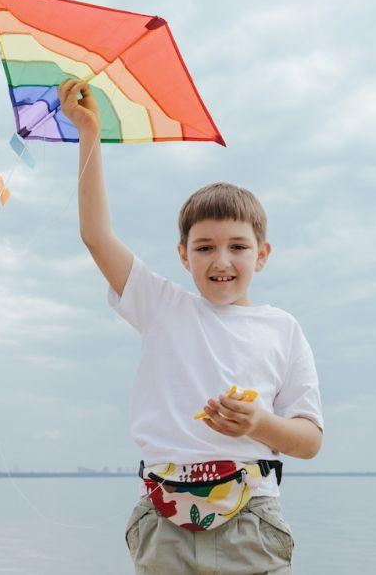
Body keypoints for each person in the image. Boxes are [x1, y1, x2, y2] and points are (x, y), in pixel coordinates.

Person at [61, 78, 324, 575]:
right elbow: (95, 236)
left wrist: (259, 424)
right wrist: (89, 133)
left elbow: (309, 440)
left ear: (262, 255)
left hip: (253, 519)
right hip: (164, 519)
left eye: (238, 246)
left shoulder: (282, 328)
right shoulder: (161, 306)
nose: (220, 260)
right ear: (183, 255)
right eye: (204, 247)